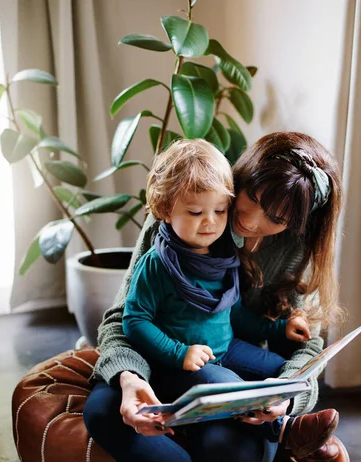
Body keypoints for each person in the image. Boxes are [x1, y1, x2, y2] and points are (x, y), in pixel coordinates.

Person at [83, 132, 361, 462]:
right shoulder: (188, 205)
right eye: (251, 198)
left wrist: (287, 399)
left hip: (235, 376)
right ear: (240, 176)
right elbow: (120, 319)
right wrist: (127, 378)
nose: (249, 219)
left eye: (276, 218)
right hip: (175, 366)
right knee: (103, 411)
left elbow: (306, 346)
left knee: (232, 460)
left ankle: (286, 435)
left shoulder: (300, 245)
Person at [122, 139, 311, 402]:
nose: (210, 221)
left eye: (220, 211)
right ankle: (284, 430)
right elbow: (134, 320)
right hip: (181, 362)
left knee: (281, 370)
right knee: (232, 388)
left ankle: (285, 424)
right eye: (196, 211)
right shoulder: (157, 263)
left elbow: (235, 315)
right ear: (166, 210)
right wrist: (179, 353)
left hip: (227, 349)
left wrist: (280, 329)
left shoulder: (225, 257)